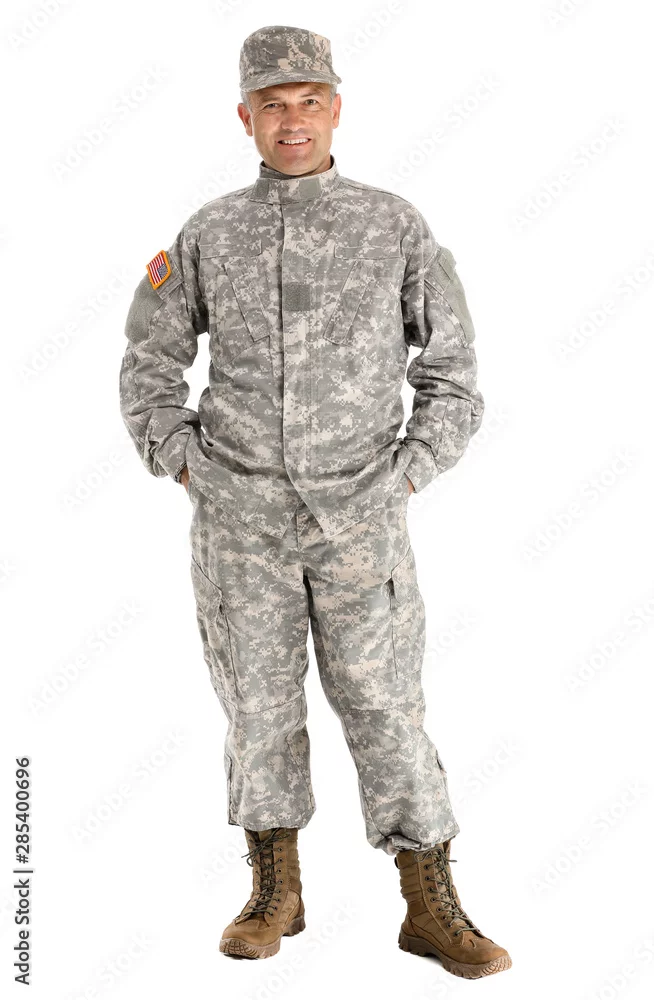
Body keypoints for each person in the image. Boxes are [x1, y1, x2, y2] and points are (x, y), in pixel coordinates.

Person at [119, 23, 511, 979]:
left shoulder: (393, 225)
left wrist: (408, 472)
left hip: (359, 520)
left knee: (384, 705)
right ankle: (275, 891)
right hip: (239, 521)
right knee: (256, 705)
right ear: (245, 118)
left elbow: (454, 375)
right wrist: (185, 463)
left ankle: (430, 903)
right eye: (272, 105)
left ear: (336, 109)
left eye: (308, 101)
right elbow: (148, 362)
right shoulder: (208, 233)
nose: (291, 120)